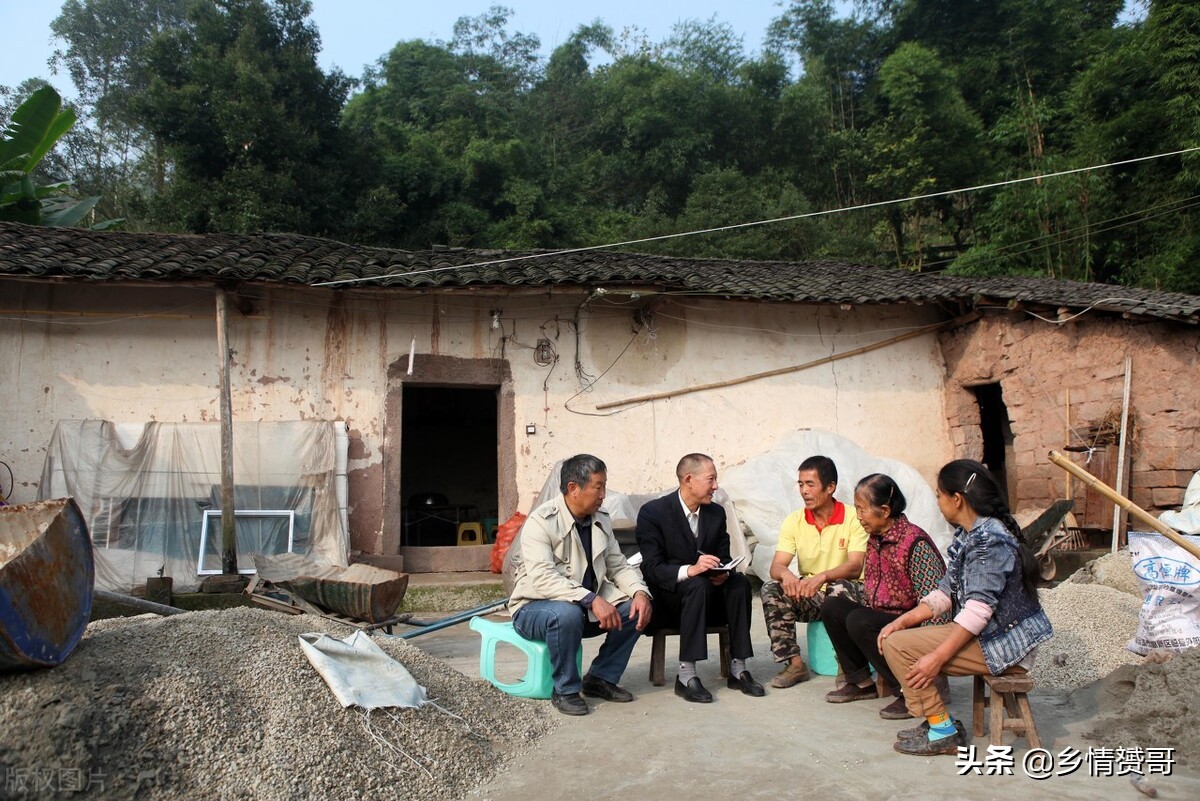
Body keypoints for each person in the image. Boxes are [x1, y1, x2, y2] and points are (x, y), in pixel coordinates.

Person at [879, 459, 1053, 756]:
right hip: (987, 634)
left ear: (956, 499)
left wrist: (936, 658)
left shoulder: (988, 542)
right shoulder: (972, 534)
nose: (937, 501)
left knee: (900, 649)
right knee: (894, 639)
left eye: (939, 495)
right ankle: (938, 722)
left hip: (1004, 646)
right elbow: (946, 590)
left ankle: (942, 729)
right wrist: (901, 622)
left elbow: (979, 610)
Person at [508, 454, 654, 716]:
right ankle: (565, 689)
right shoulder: (542, 522)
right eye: (598, 487)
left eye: (604, 486)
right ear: (574, 488)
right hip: (534, 609)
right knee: (566, 613)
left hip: (583, 608)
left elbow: (618, 565)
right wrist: (592, 599)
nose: (603, 494)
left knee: (635, 609)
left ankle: (600, 678)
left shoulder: (600, 519)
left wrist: (640, 592)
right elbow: (543, 577)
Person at [635, 453, 765, 703]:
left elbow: (724, 556)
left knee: (739, 584)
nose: (716, 486)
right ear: (688, 480)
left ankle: (739, 669)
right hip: (670, 601)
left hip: (709, 597)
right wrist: (690, 570)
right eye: (711, 479)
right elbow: (651, 568)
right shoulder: (654, 513)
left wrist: (723, 573)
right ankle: (686, 675)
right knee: (696, 584)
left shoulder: (715, 513)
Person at [820, 473, 948, 719]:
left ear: (885, 510)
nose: (858, 517)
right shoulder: (874, 539)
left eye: (862, 510)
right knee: (832, 607)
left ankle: (908, 691)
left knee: (860, 620)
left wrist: (934, 657)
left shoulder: (914, 542)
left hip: (912, 625)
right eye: (856, 509)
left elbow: (936, 605)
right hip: (885, 617)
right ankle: (860, 682)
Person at [761, 455, 868, 688]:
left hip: (851, 596)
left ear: (830, 487)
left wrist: (822, 576)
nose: (804, 491)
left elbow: (855, 566)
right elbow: (776, 566)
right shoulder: (794, 521)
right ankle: (795, 664)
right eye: (800, 484)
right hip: (812, 594)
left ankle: (847, 666)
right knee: (771, 588)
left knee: (839, 585)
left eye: (810, 484)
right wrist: (787, 575)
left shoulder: (853, 517)